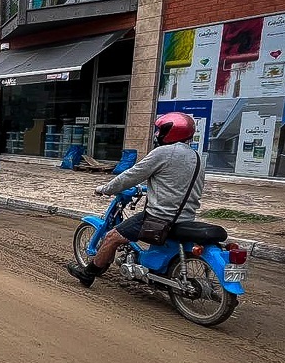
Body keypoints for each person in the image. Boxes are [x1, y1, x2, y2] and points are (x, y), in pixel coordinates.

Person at [67, 112, 205, 288]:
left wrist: (106, 189)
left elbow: (131, 176)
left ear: (170, 132)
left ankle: (87, 274)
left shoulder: (163, 153)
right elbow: (178, 185)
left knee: (112, 237)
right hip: (185, 218)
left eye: (160, 130)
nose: (156, 135)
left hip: (159, 218)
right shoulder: (198, 157)